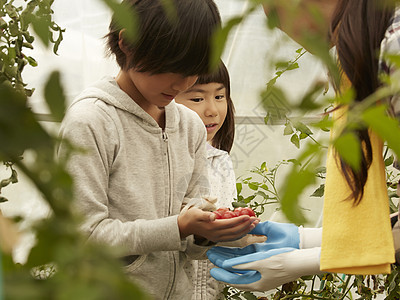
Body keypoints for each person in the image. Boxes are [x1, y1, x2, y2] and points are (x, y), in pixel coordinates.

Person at [206, 0, 400, 292]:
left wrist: (305, 260)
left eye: (278, 18)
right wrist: (307, 240)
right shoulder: (395, 35)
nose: (293, 38)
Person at [56, 1, 258, 298]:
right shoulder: (92, 122)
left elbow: (188, 247)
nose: (183, 83)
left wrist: (204, 233)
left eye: (194, 70)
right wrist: (176, 227)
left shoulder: (189, 126)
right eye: (173, 67)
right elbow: (82, 237)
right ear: (127, 43)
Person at [175, 61, 236, 300]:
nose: (212, 110)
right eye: (197, 99)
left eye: (220, 96)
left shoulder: (220, 161)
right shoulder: (166, 159)